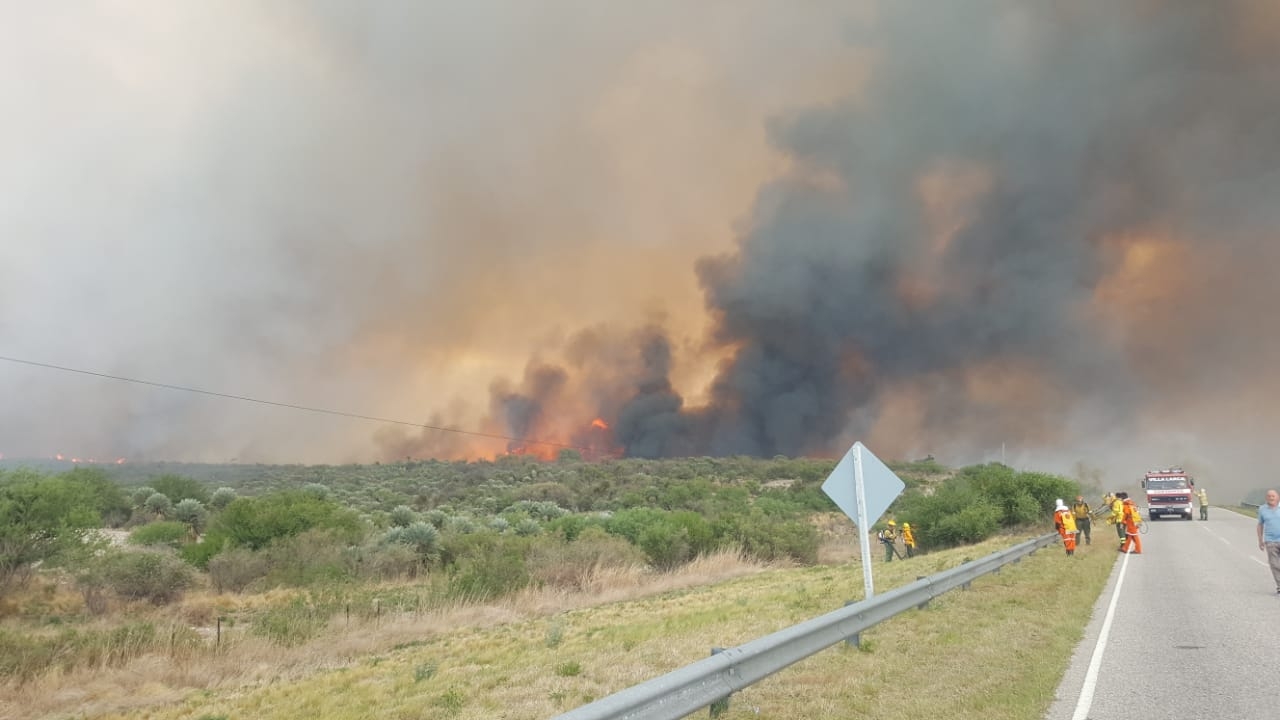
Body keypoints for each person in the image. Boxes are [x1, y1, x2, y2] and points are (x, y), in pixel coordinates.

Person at [1256, 489, 1280, 594]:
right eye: (1269, 496)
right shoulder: (1262, 509)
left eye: (1273, 496)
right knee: (1274, 565)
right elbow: (1260, 524)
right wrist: (1260, 540)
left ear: (1277, 497)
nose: (1271, 498)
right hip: (1270, 541)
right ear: (1266, 498)